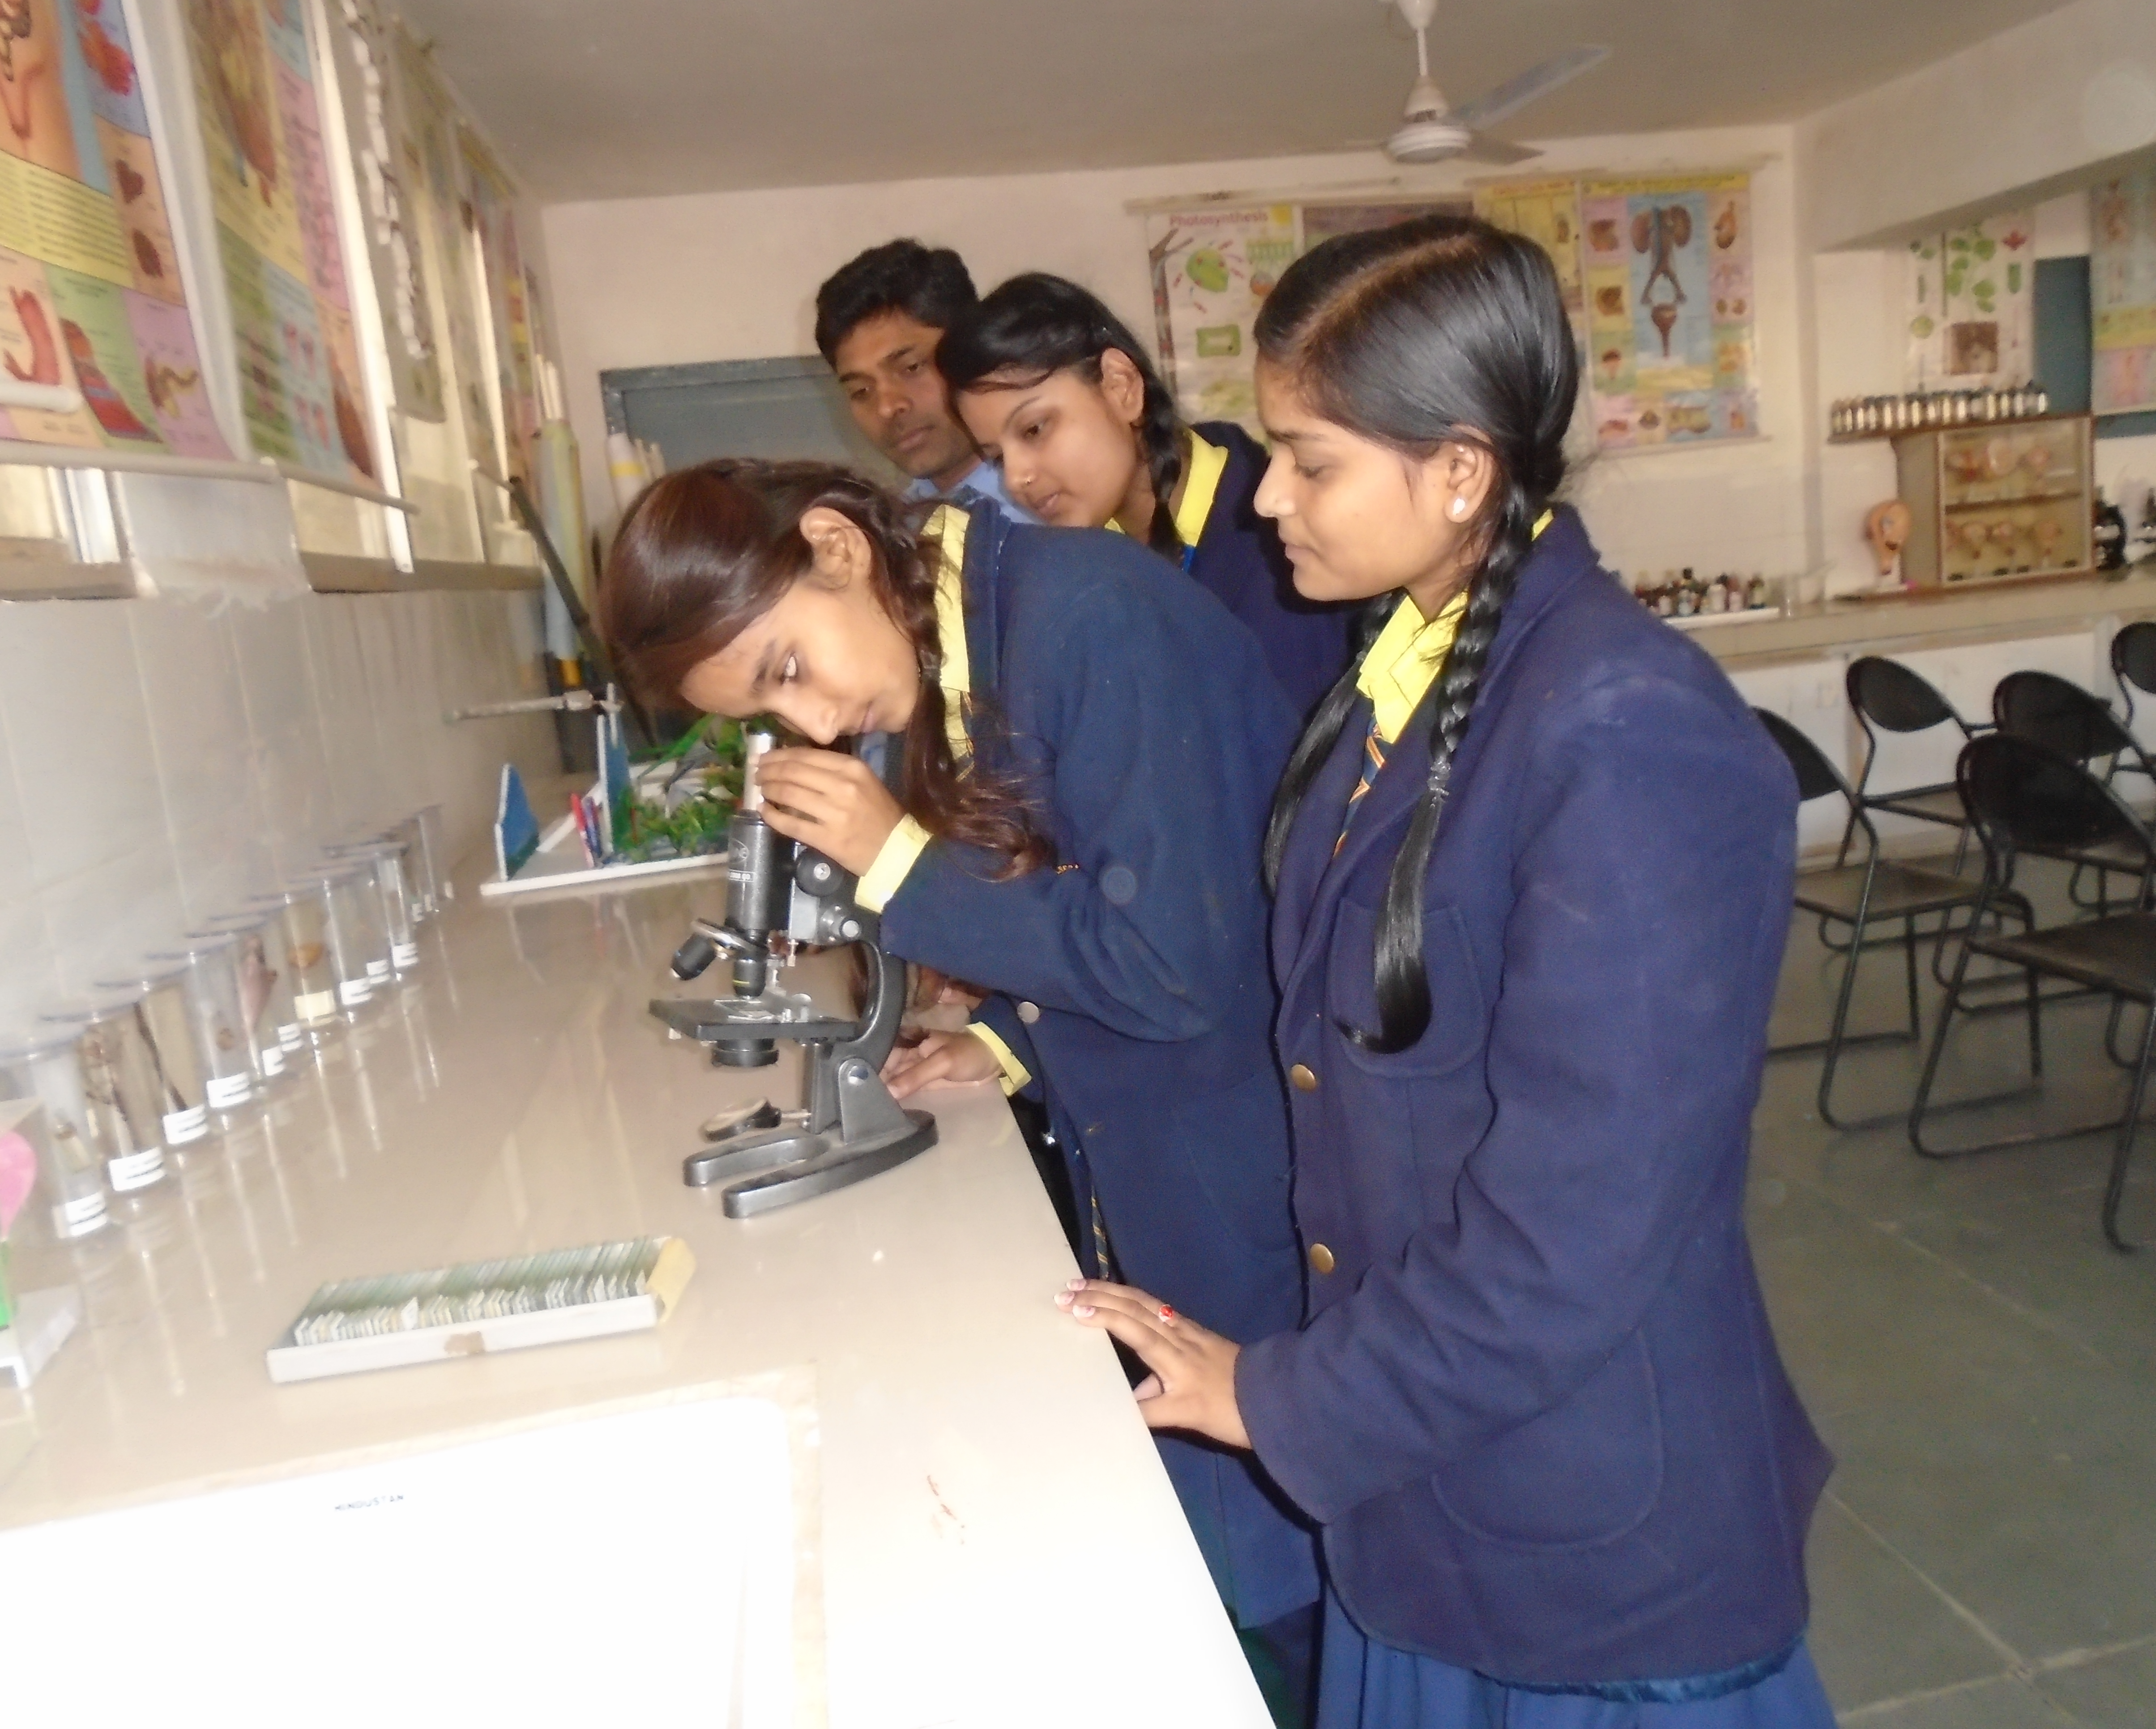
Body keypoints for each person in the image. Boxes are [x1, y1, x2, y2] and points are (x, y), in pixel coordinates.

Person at [1062, 216, 1838, 1726]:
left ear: (1463, 469)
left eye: (1312, 458)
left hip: (1587, 1542)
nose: (1268, 493)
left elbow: (1578, 1237)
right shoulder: (1405, 674)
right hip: (1428, 1486)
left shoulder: (1625, 733)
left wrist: (1276, 1398)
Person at [597, 459, 1322, 1685]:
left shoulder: (1087, 619)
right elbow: (1092, 881)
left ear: (834, 545)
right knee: (1218, 1554)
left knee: (1286, 1574)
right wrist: (1006, 1043)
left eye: (788, 668)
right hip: (1154, 1150)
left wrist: (902, 865)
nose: (817, 724)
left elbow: (1178, 962)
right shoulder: (960, 633)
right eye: (773, 713)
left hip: (1253, 1161)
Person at [937, 273, 1349, 718]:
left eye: (1035, 429)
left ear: (1121, 387)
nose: (1017, 478)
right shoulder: (1097, 567)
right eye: (997, 458)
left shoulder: (1282, 552)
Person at [813, 239, 1030, 520]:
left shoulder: (1050, 512)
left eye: (912, 368)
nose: (887, 408)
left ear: (974, 349)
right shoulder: (893, 529)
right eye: (861, 391)